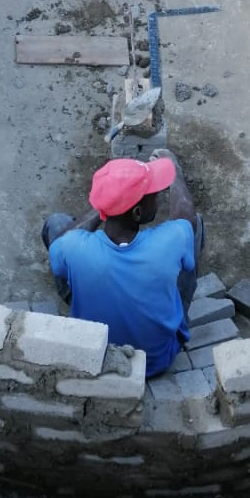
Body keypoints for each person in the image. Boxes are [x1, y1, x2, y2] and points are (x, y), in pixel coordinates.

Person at [41, 148, 203, 378]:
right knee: (194, 227)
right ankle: (178, 319)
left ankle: (90, 301)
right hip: (157, 359)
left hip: (98, 352)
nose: (157, 195)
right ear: (137, 212)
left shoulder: (73, 246)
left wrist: (108, 203)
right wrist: (175, 172)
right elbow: (186, 216)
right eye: (153, 195)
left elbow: (60, 245)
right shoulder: (169, 241)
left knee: (57, 224)